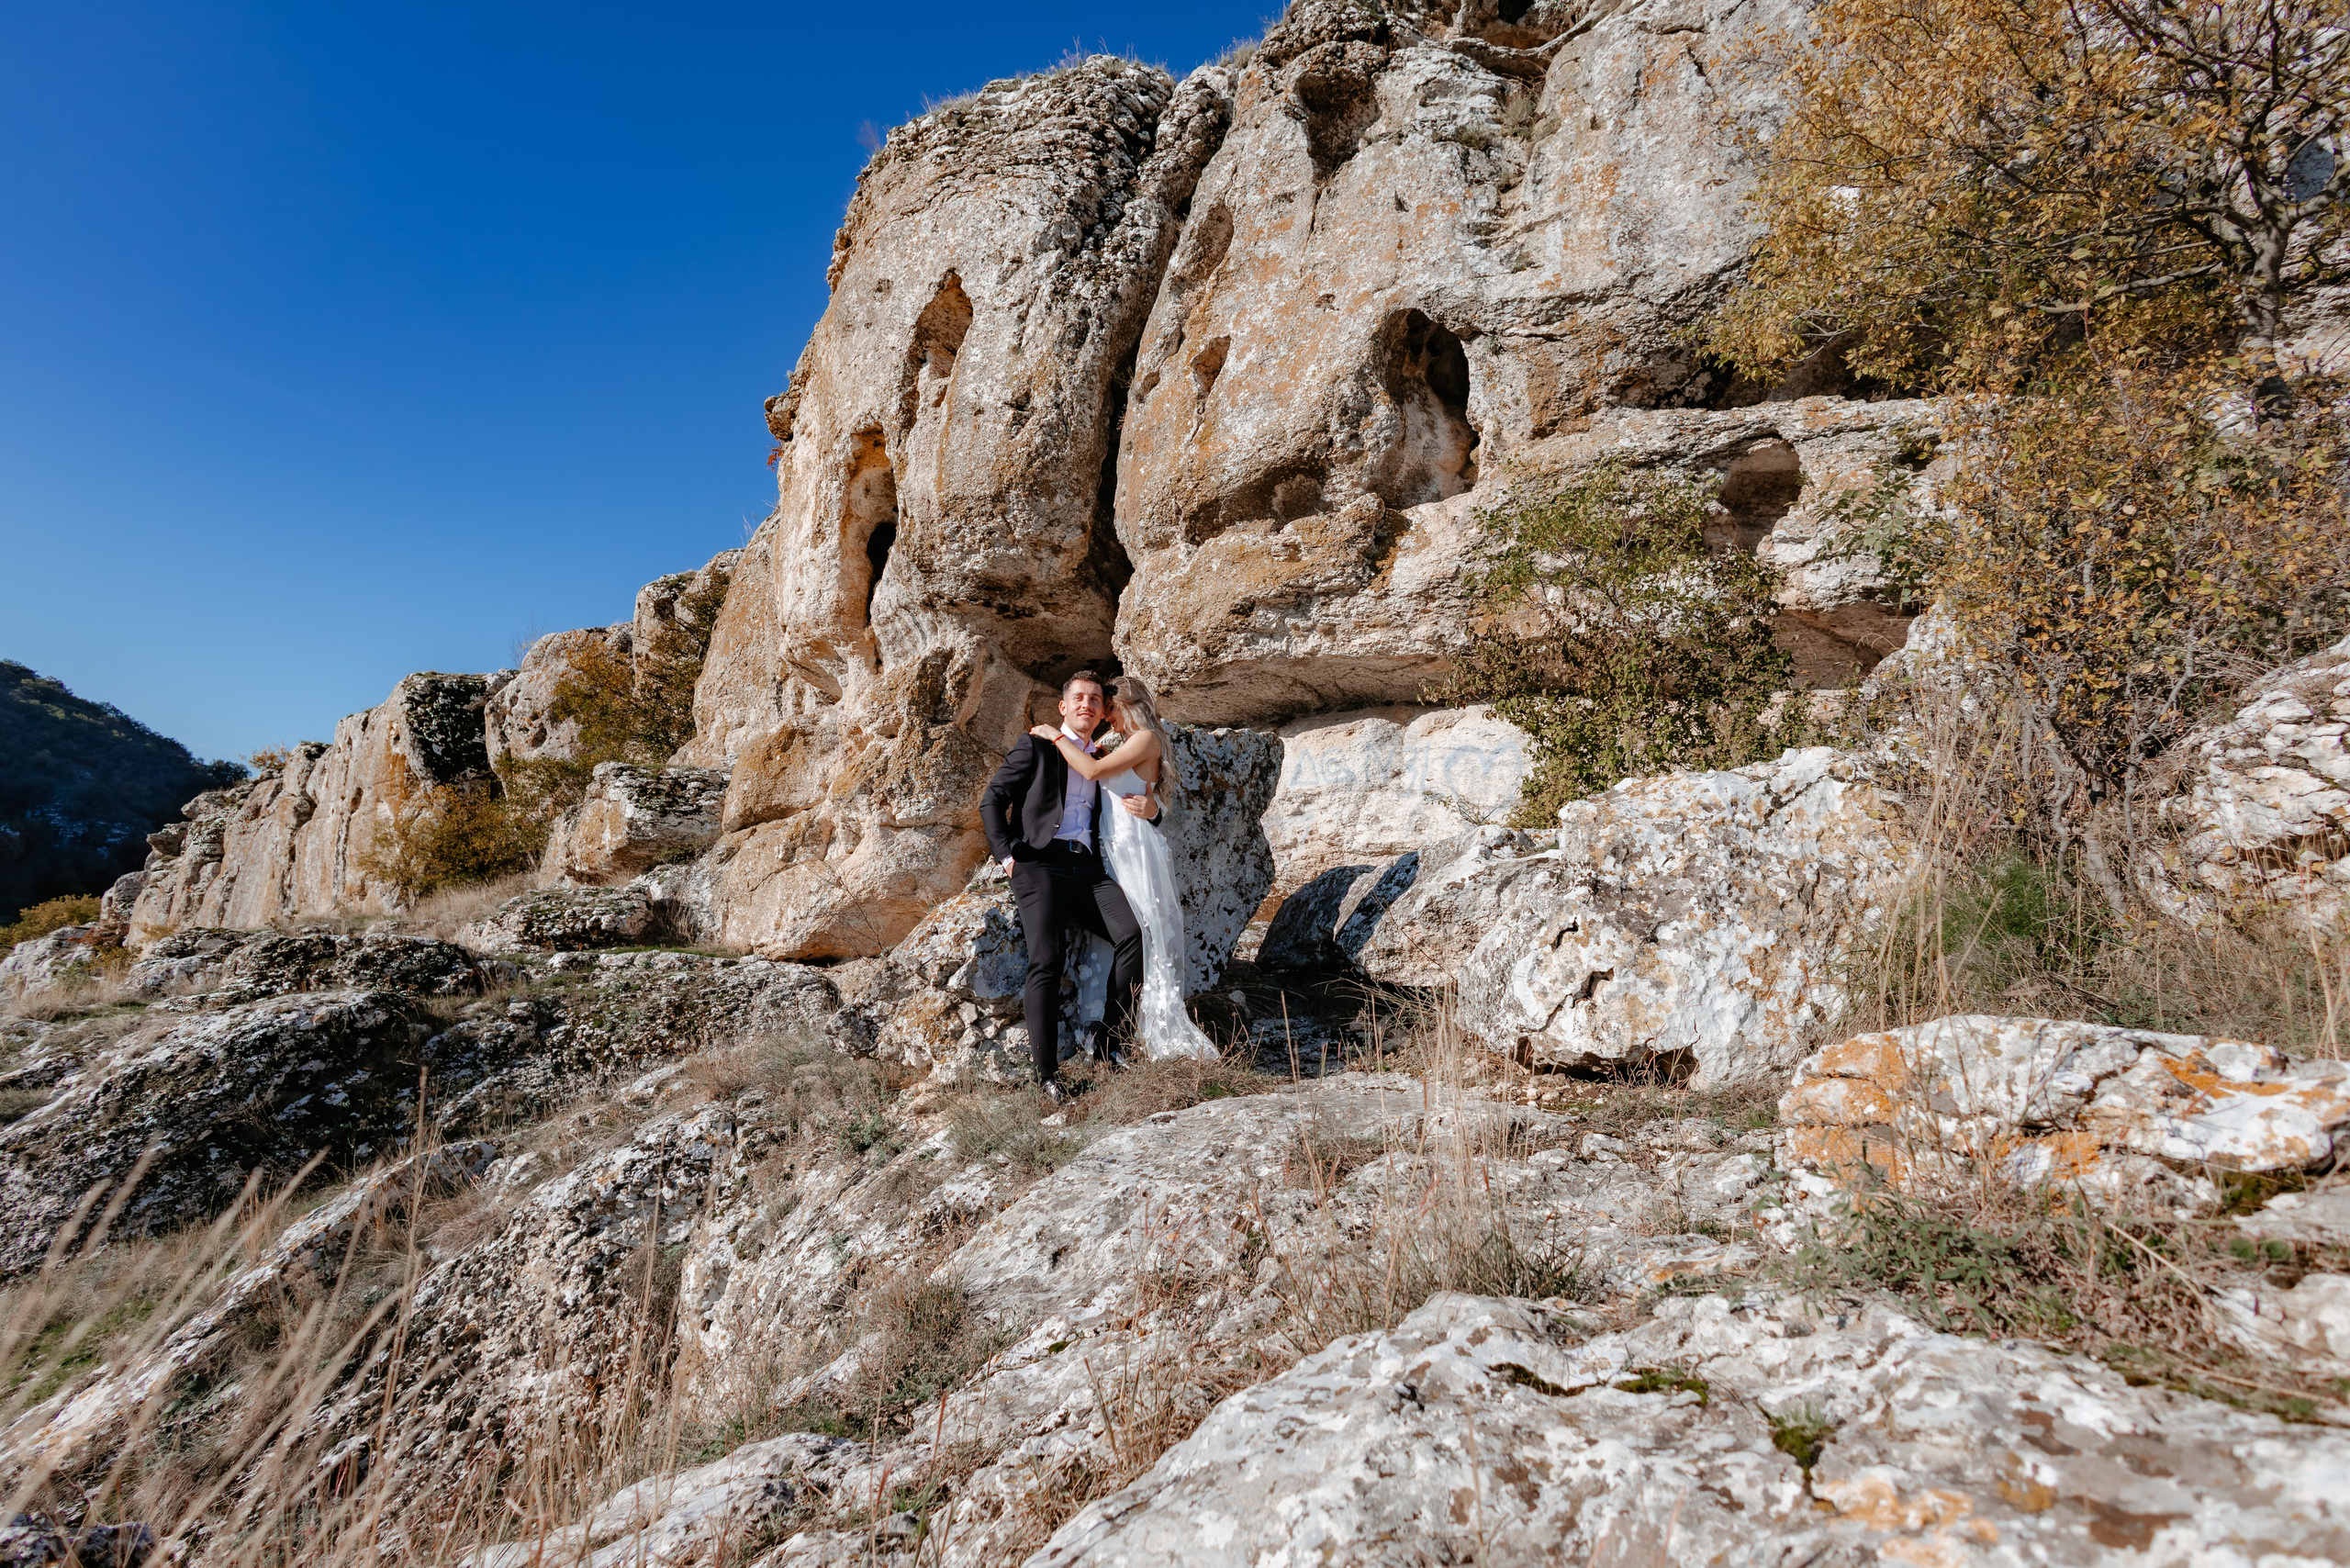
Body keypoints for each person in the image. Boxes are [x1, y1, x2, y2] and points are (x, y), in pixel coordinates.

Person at [979, 671, 1163, 1103]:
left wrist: (1154, 811)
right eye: (1078, 698)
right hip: (1039, 864)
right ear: (1063, 707)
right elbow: (993, 799)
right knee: (1048, 959)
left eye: (1096, 700)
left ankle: (1108, 1044)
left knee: (1131, 936)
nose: (1087, 704)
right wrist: (1007, 856)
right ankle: (1047, 1077)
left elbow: (1142, 799)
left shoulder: (1101, 755)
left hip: (1088, 869)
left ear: (1103, 712)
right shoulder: (1037, 745)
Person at [1028, 673, 1218, 1064]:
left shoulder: (1146, 738)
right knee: (1124, 935)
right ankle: (1106, 1038)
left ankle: (1120, 1036)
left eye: (1110, 709)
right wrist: (1154, 810)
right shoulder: (1119, 745)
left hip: (1133, 850)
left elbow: (1096, 774)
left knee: (1143, 931)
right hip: (1109, 850)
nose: (1106, 718)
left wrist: (1056, 734)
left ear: (1128, 706)